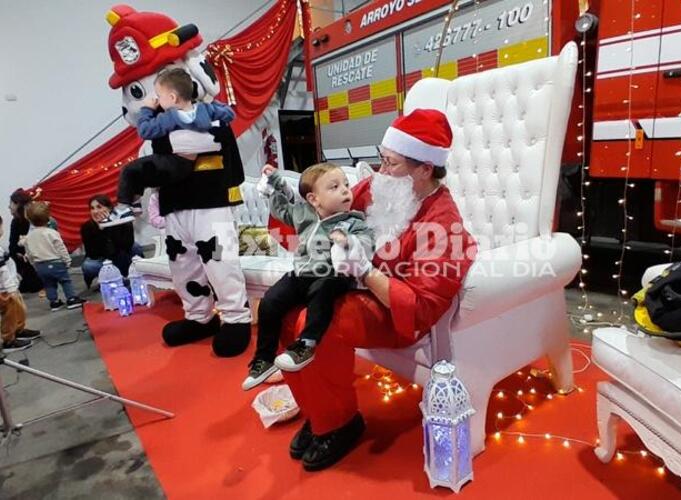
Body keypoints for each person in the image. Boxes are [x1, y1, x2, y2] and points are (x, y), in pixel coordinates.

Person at [275, 109, 476, 471]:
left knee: (312, 323)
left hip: (391, 311)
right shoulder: (381, 188)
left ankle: (339, 424)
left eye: (391, 163)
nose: (380, 171)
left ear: (425, 169)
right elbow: (330, 212)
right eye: (382, 159)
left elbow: (421, 308)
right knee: (282, 312)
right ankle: (318, 410)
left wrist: (364, 270)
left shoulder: (444, 223)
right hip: (348, 290)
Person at [242, 163, 375, 390]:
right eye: (334, 187)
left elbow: (367, 242)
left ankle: (306, 344)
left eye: (346, 184)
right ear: (314, 199)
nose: (345, 191)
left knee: (321, 292)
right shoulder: (303, 214)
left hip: (333, 275)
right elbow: (283, 207)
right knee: (270, 302)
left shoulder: (354, 221)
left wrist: (348, 241)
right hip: (302, 272)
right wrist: (274, 181)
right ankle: (264, 359)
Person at [100, 67, 236, 228]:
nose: (157, 100)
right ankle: (135, 204)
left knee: (129, 170)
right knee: (141, 172)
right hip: (192, 167)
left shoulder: (169, 117)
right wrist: (214, 104)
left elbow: (145, 131)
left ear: (172, 97)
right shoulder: (205, 109)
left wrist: (147, 109)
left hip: (173, 164)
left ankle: (124, 207)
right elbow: (229, 114)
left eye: (159, 96)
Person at [23, 202, 85, 311]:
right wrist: (67, 260)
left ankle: (54, 302)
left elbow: (29, 253)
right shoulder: (51, 233)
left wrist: (34, 265)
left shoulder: (28, 237)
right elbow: (61, 248)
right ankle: (71, 299)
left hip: (40, 266)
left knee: (49, 284)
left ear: (29, 219)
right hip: (56, 263)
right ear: (48, 217)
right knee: (65, 281)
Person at [80, 195, 143, 289]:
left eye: (99, 207)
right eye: (92, 208)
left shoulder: (123, 221)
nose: (95, 211)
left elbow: (126, 245)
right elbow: (92, 254)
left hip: (121, 256)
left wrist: (110, 225)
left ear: (109, 208)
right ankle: (114, 277)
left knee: (135, 247)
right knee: (88, 265)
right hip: (103, 261)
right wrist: (99, 230)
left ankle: (134, 272)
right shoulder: (87, 227)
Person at [0, 215, 41, 353]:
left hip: (10, 284)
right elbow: (2, 270)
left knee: (20, 309)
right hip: (4, 289)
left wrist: (15, 277)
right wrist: (10, 287)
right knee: (9, 313)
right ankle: (8, 340)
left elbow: (8, 263)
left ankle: (19, 329)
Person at [8, 189, 43, 293]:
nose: (9, 207)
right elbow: (12, 247)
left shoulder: (32, 220)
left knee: (33, 285)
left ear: (18, 204)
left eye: (11, 203)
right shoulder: (15, 222)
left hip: (36, 260)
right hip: (22, 262)